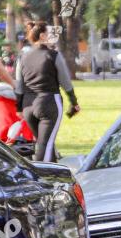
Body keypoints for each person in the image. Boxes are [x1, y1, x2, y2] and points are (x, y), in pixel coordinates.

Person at [15, 20, 80, 162]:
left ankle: (53, 175)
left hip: (27, 106)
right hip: (48, 103)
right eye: (50, 33)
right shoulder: (53, 55)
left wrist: (19, 107)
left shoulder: (22, 56)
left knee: (44, 144)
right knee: (46, 145)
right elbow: (65, 82)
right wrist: (73, 102)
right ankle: (41, 180)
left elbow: (19, 85)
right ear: (43, 36)